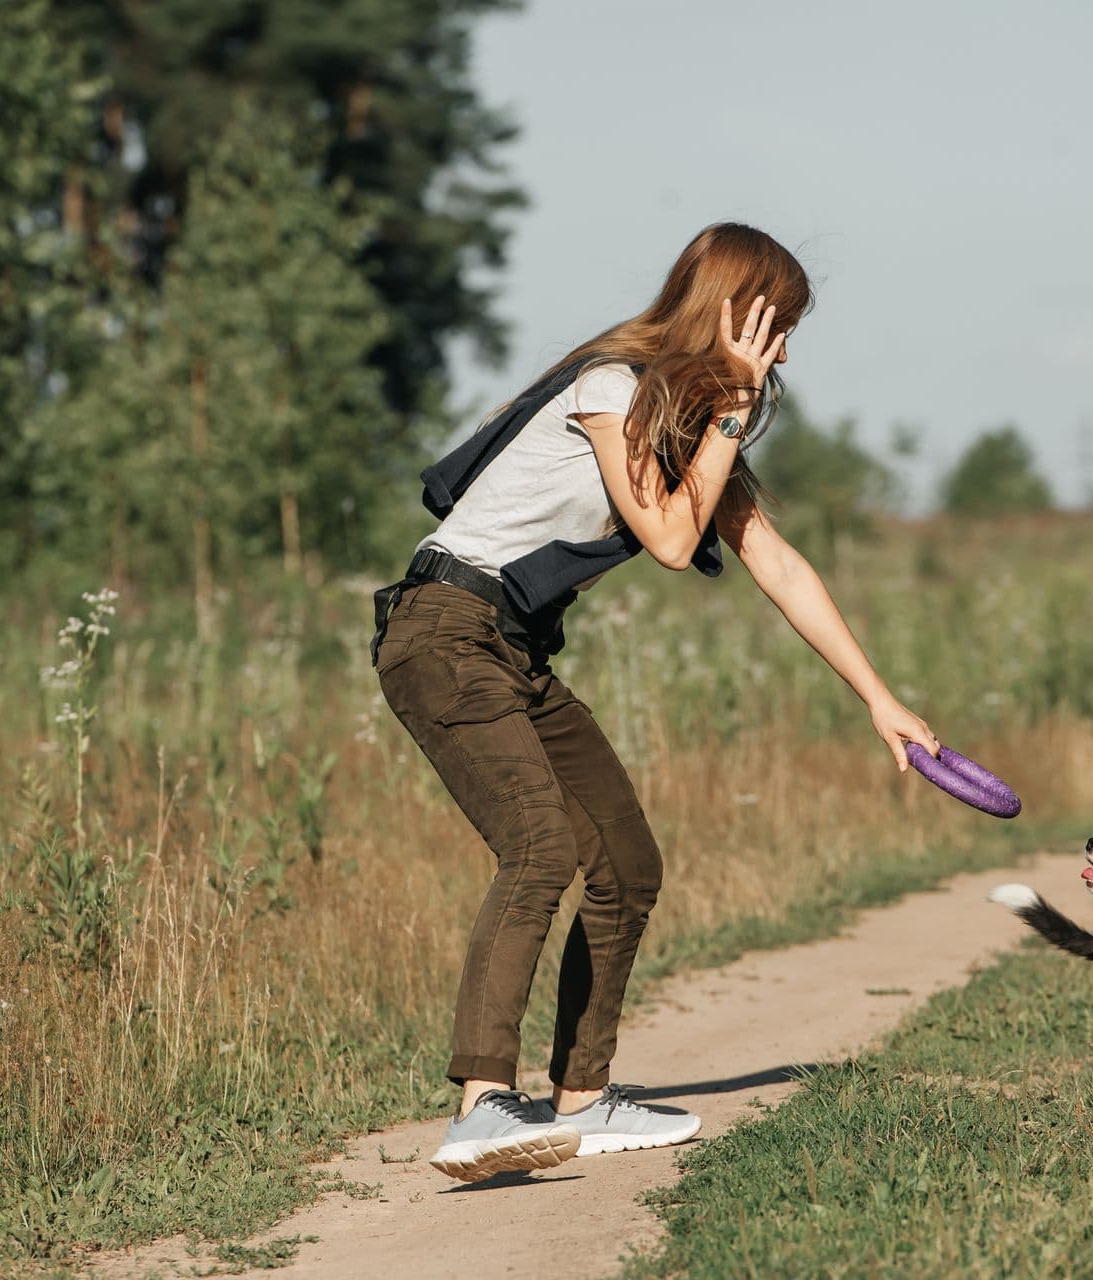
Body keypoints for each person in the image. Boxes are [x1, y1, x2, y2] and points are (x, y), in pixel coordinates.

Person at [369, 222, 942, 1183]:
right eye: (777, 326)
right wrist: (734, 413)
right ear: (731, 313)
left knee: (627, 865)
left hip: (510, 650)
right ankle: (480, 1107)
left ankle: (582, 1099)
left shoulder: (684, 426)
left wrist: (881, 699)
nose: (786, 352)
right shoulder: (610, 388)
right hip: (443, 632)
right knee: (539, 846)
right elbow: (673, 542)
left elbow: (777, 563)